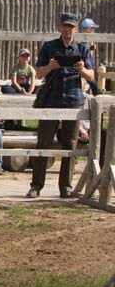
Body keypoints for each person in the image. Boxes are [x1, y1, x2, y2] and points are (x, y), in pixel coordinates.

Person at [27, 13, 95, 199]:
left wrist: (82, 69)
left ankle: (65, 186)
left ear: (76, 29)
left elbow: (91, 76)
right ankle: (36, 186)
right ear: (59, 28)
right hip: (51, 99)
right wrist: (51, 67)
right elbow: (39, 74)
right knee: (43, 143)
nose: (67, 29)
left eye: (71, 26)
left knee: (70, 145)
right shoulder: (49, 47)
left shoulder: (82, 49)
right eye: (64, 26)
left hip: (73, 100)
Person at [80, 18, 102, 95]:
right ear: (88, 29)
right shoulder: (82, 39)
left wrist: (90, 48)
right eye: (93, 28)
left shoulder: (87, 39)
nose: (94, 30)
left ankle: (95, 89)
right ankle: (95, 89)